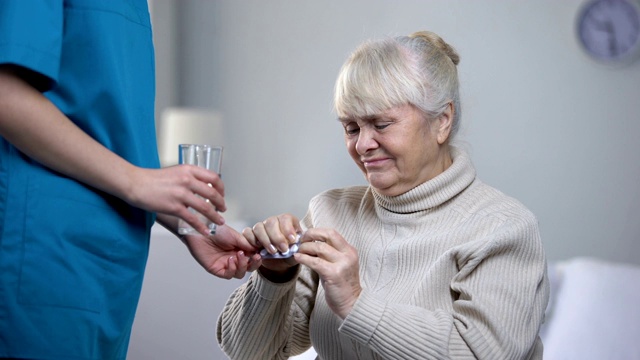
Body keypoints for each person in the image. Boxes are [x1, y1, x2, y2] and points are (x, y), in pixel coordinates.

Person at [217, 30, 550, 359]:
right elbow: (247, 352)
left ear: (442, 121)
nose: (362, 145)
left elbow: (479, 355)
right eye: (351, 127)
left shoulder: (502, 228)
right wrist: (275, 275)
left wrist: (356, 303)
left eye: (381, 123)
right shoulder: (329, 211)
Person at [0, 1, 258, 359]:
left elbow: (112, 133)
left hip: (106, 275)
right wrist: (138, 183)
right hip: (47, 259)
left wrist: (189, 220)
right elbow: (6, 95)